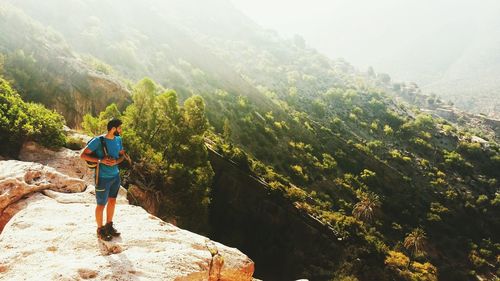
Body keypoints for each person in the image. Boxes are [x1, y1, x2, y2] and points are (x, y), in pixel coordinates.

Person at [81, 118, 125, 241]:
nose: (121, 130)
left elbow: (122, 155)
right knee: (101, 204)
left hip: (115, 176)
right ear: (113, 129)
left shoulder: (118, 140)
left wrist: (116, 161)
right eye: (119, 128)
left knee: (112, 201)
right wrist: (101, 160)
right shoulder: (98, 140)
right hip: (102, 178)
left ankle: (109, 226)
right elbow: (83, 155)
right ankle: (100, 230)